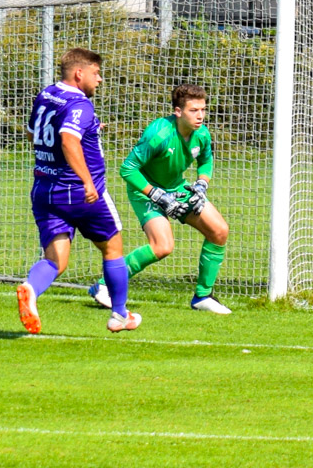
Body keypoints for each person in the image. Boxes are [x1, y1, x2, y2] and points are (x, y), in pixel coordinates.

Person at [17, 48, 141, 335]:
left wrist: (90, 129)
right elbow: (69, 140)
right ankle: (119, 314)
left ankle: (31, 288)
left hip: (44, 190)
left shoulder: (47, 95)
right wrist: (86, 181)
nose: (100, 79)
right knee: (113, 247)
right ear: (79, 73)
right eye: (96, 73)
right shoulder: (80, 104)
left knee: (55, 260)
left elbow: (33, 133)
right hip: (79, 192)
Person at [89, 83, 232, 314]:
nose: (200, 116)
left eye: (203, 110)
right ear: (178, 111)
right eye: (193, 110)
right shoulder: (159, 133)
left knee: (219, 231)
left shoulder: (202, 134)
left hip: (176, 188)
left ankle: (202, 296)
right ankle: (104, 285)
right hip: (145, 190)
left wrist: (201, 184)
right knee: (162, 246)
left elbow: (206, 161)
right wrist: (158, 195)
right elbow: (128, 169)